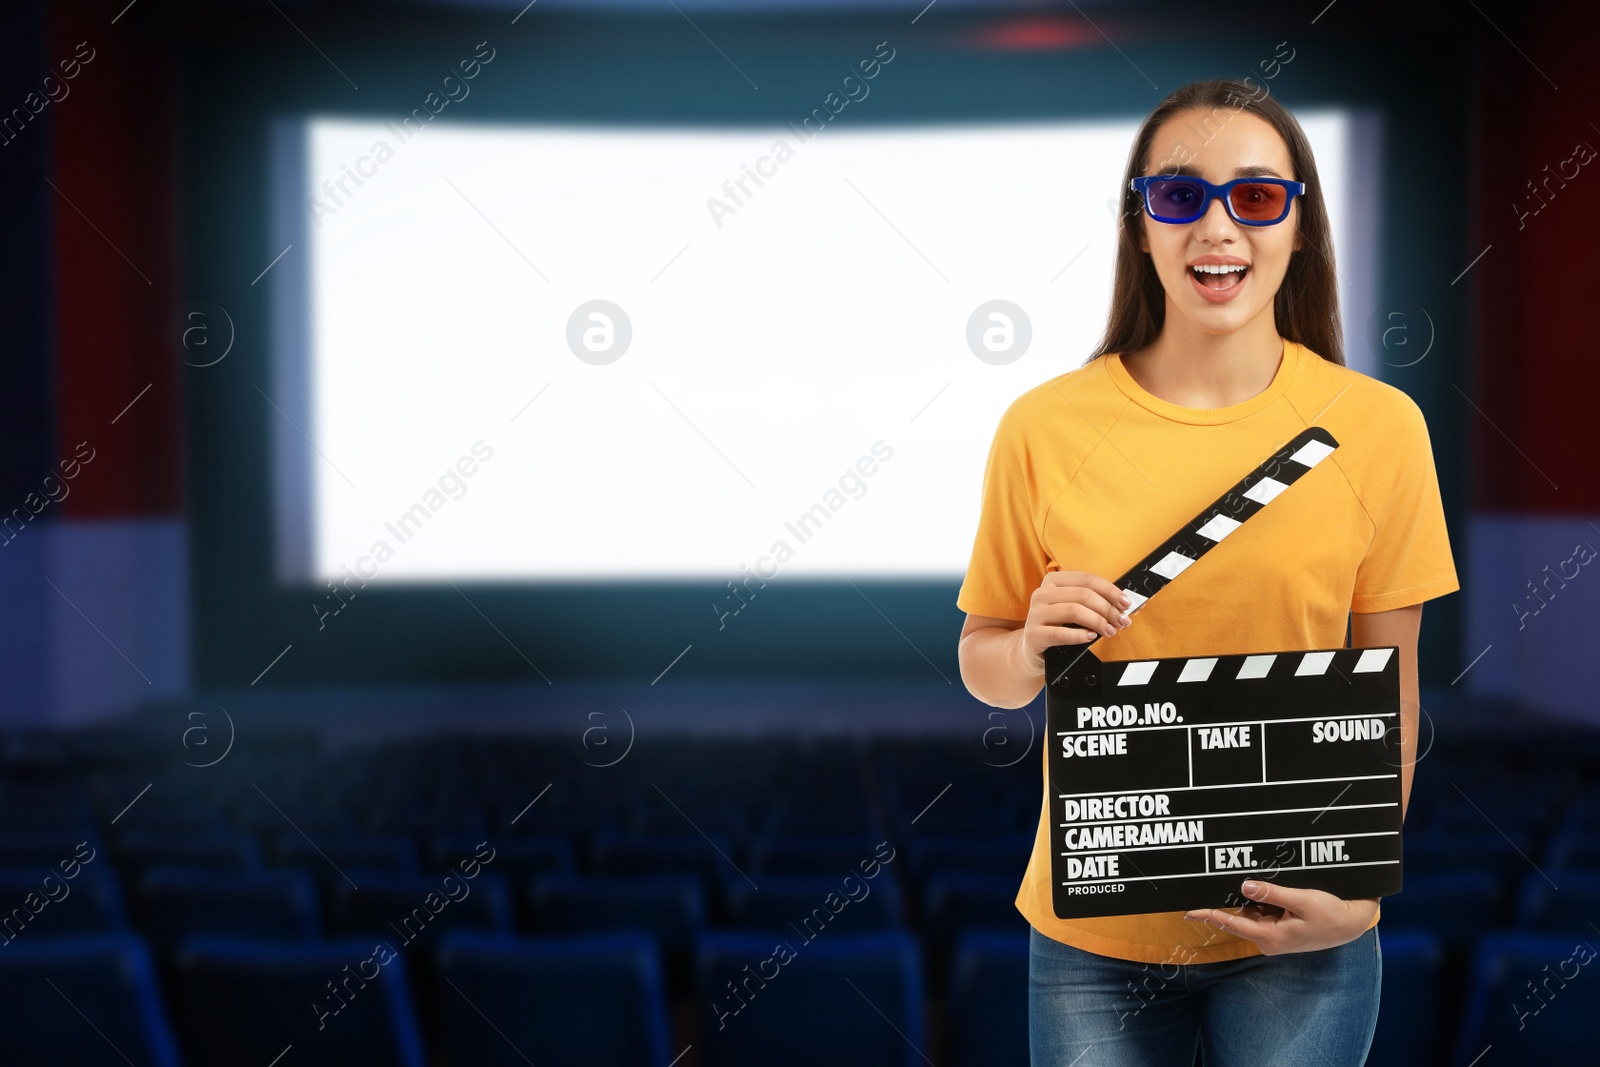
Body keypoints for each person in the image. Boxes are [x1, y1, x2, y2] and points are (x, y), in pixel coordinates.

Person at [955, 76, 1459, 1066]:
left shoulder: (1380, 428)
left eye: (1257, 196)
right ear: (1139, 226)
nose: (1216, 225)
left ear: (1299, 226)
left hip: (1301, 926)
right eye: (1179, 196)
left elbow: (1390, 684)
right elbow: (984, 666)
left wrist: (1358, 887)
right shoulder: (1043, 426)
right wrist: (1027, 643)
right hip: (1092, 933)